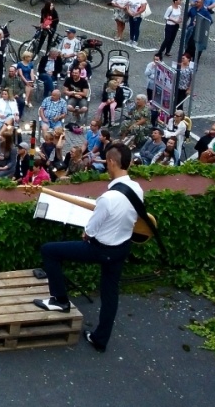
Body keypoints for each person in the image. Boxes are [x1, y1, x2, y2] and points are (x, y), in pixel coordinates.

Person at [34, 143, 145, 353]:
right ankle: (100, 339)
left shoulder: (108, 198)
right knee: (110, 294)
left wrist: (87, 233)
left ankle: (59, 300)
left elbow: (90, 231)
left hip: (99, 248)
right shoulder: (137, 189)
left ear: (111, 162)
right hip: (121, 248)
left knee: (50, 250)